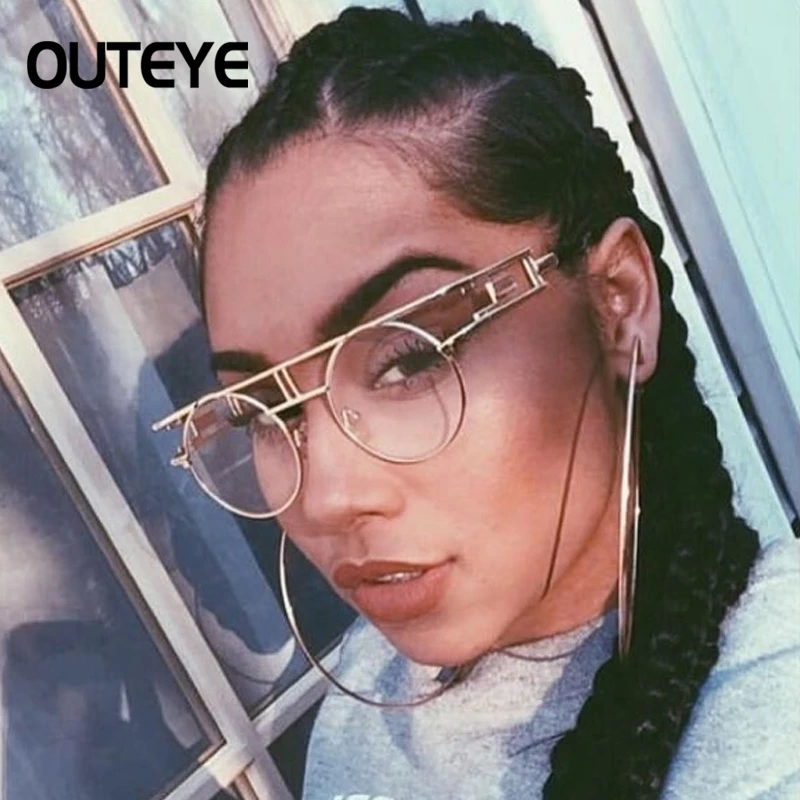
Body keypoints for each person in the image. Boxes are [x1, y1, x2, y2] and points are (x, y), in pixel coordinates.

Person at [154, 7, 800, 799]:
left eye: (408, 358)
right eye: (264, 410)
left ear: (619, 301)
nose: (325, 496)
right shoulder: (366, 702)